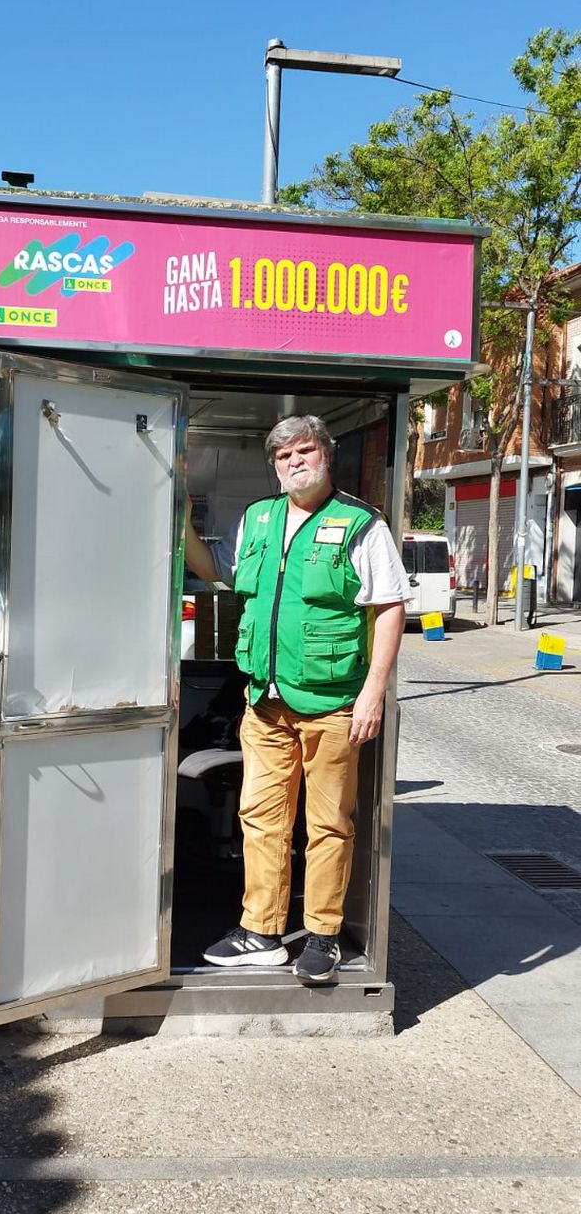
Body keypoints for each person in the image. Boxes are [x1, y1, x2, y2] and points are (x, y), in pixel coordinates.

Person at [183, 414, 411, 984]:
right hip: (263, 700)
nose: (294, 463)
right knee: (260, 818)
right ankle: (260, 931)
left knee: (328, 824)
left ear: (326, 456)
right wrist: (181, 527)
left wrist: (373, 695)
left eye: (304, 452)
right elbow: (218, 574)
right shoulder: (258, 518)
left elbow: (389, 607)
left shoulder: (361, 524)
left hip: (333, 702)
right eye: (283, 457)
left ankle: (325, 936)